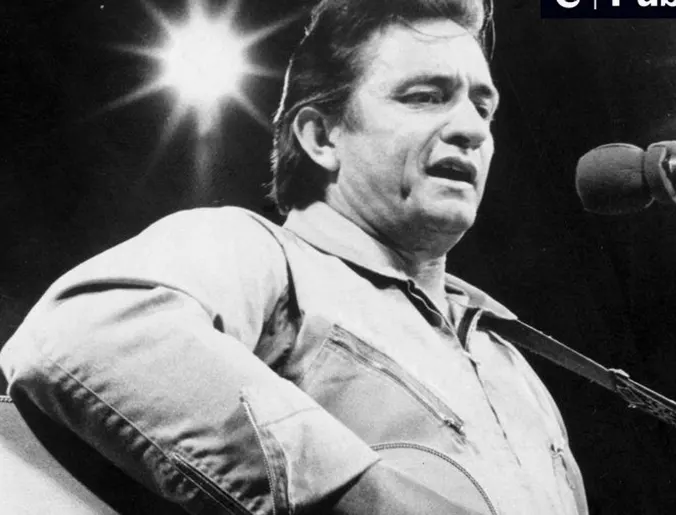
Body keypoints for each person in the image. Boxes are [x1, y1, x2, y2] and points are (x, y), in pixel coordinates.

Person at [0, 0, 588, 513]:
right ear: (322, 137)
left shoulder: (513, 364)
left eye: (483, 107)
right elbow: (91, 331)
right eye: (426, 97)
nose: (471, 129)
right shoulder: (257, 250)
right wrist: (366, 497)